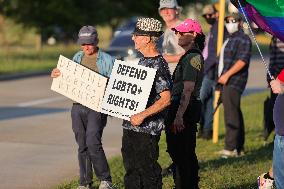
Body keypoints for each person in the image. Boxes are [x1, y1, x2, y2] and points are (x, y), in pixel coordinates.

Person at [51, 26, 114, 189]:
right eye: (83, 44)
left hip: (97, 108)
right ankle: (85, 182)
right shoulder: (77, 57)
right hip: (77, 107)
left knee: (93, 141)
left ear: (97, 42)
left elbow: (115, 84)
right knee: (82, 144)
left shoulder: (107, 60)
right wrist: (58, 74)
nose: (86, 47)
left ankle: (105, 180)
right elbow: (68, 78)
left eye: (90, 44)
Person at [121, 17, 172, 189]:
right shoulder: (143, 61)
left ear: (148, 38)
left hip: (146, 129)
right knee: (131, 171)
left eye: (136, 35)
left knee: (147, 172)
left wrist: (141, 115)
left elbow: (166, 99)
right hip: (130, 127)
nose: (133, 38)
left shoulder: (158, 64)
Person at [166, 18, 205, 189]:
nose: (178, 35)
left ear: (194, 34)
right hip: (184, 107)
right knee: (185, 153)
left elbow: (187, 89)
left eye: (182, 32)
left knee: (181, 154)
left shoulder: (192, 57)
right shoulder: (189, 56)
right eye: (177, 32)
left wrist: (179, 116)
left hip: (183, 108)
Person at [217, 13, 252, 158]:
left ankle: (230, 148)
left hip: (234, 80)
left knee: (231, 113)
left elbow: (242, 60)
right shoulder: (229, 38)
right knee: (234, 111)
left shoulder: (243, 38)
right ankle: (239, 147)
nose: (229, 23)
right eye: (227, 21)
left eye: (233, 21)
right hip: (226, 80)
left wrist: (227, 75)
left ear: (240, 22)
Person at [199, 4, 221, 139]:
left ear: (216, 14)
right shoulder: (213, 28)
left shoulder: (219, 29)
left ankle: (204, 128)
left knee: (200, 99)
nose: (208, 17)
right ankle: (206, 130)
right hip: (208, 69)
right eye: (205, 16)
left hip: (210, 70)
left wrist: (205, 67)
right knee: (207, 102)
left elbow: (215, 53)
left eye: (210, 15)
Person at [263, 37, 284, 142]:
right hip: (276, 77)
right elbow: (273, 59)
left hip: (282, 78)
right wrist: (270, 76)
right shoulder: (275, 38)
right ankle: (276, 134)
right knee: (275, 107)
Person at [158, 0, 185, 69]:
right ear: (160, 13)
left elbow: (191, 55)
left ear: (177, 11)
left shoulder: (183, 28)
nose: (166, 12)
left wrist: (163, 58)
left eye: (169, 9)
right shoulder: (167, 30)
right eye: (163, 9)